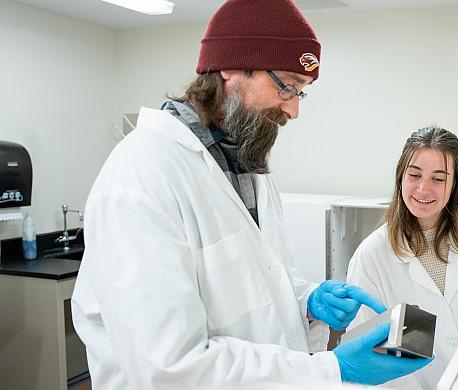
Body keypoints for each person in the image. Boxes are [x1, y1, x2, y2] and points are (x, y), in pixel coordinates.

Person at [70, 0, 430, 388]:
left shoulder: (247, 165)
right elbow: (167, 367)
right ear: (231, 66)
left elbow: (256, 284)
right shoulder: (141, 176)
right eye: (287, 86)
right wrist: (329, 370)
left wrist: (306, 301)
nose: (293, 111)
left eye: (301, 93)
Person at [345, 126, 458, 389]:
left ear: (455, 185)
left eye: (438, 179)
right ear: (401, 177)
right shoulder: (372, 255)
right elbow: (364, 356)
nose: (423, 188)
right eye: (415, 175)